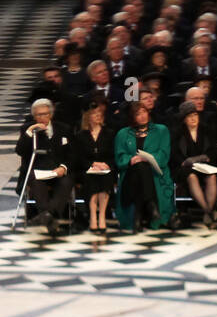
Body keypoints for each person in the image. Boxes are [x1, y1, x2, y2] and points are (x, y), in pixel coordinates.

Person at [114, 100, 174, 233]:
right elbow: (119, 157)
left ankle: (137, 216)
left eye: (144, 112)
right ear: (132, 117)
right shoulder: (123, 134)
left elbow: (164, 155)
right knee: (139, 167)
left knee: (142, 167)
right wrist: (131, 160)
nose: (142, 116)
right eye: (138, 114)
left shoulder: (161, 130)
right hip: (130, 173)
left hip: (156, 172)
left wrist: (147, 159)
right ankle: (151, 205)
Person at [15, 98, 72, 233]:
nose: (42, 117)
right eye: (38, 115)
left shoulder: (64, 128)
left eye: (45, 114)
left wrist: (63, 167)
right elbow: (20, 151)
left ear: (51, 114)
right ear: (34, 116)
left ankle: (46, 215)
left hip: (58, 169)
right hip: (37, 171)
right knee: (36, 182)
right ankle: (49, 216)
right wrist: (29, 132)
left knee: (67, 181)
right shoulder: (28, 129)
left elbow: (71, 153)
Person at [171, 100, 217, 228]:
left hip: (204, 166)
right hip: (185, 169)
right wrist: (185, 161)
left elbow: (213, 151)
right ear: (184, 119)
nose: (193, 119)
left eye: (195, 115)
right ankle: (209, 212)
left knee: (212, 176)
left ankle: (208, 212)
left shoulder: (207, 129)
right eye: (189, 116)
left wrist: (205, 157)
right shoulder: (177, 132)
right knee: (191, 177)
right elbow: (175, 153)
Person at [73, 100, 115, 232]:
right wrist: (92, 164)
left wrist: (105, 165)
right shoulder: (80, 135)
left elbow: (113, 154)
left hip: (105, 169)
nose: (98, 115)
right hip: (86, 169)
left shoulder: (109, 133)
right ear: (88, 117)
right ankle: (92, 216)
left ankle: (101, 216)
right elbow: (78, 157)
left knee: (106, 179)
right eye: (94, 113)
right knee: (91, 180)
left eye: (99, 113)